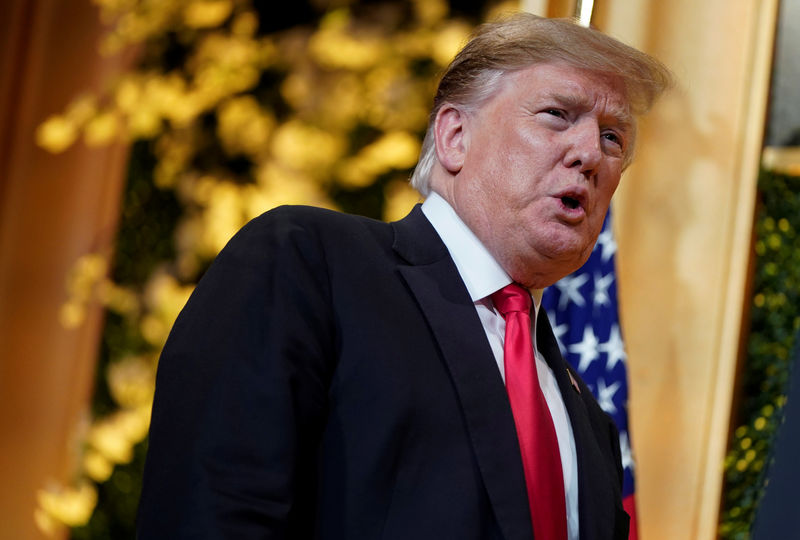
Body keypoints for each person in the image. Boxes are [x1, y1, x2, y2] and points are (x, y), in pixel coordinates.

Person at [137, 13, 671, 540]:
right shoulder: (310, 265)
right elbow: (212, 511)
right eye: (557, 113)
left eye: (612, 138)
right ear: (456, 135)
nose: (588, 155)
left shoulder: (592, 427)